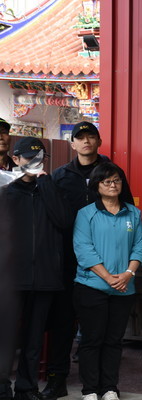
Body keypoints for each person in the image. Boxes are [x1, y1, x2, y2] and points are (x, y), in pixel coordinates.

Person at [44, 122, 134, 400]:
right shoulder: (60, 176)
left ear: (99, 141)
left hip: (107, 266)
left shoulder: (112, 174)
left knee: (102, 331)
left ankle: (105, 385)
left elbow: (127, 211)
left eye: (90, 137)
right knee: (62, 323)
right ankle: (57, 379)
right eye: (79, 138)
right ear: (72, 143)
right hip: (68, 261)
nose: (85, 142)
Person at [0, 138, 72, 400]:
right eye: (28, 158)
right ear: (16, 160)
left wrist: (45, 183)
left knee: (33, 339)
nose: (33, 162)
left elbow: (64, 221)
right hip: (10, 278)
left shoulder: (51, 188)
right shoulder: (6, 192)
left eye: (39, 157)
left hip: (44, 276)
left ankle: (27, 388)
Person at [72, 162, 142, 400]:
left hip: (124, 288)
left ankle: (110, 388)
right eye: (107, 181)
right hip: (91, 286)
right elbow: (83, 249)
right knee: (92, 340)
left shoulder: (133, 213)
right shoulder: (86, 214)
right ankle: (90, 389)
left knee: (114, 341)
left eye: (116, 181)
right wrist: (107, 277)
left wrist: (127, 274)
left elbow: (139, 247)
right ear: (97, 185)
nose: (113, 185)